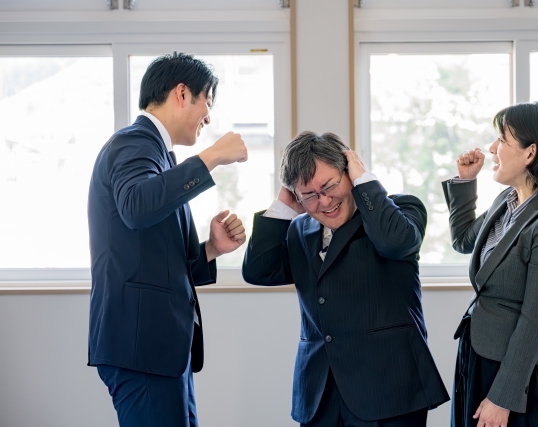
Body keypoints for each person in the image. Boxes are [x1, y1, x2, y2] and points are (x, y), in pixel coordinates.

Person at [242, 131, 450, 427]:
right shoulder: (300, 229)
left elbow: (395, 243)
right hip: (319, 394)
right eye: (310, 195)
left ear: (348, 171)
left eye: (329, 186)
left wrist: (364, 180)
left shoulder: (399, 211)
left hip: (388, 390)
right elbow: (259, 271)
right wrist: (285, 204)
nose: (324, 201)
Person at [87, 52, 248, 427]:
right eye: (207, 101)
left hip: (160, 349)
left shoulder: (159, 156)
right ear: (181, 94)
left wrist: (211, 249)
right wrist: (212, 157)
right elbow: (137, 207)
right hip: (142, 347)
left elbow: (155, 251)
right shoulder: (134, 143)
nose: (208, 116)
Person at [443, 102, 538, 427]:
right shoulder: (507, 202)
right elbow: (464, 241)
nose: (492, 148)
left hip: (520, 375)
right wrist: (466, 181)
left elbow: (537, 320)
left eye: (502, 140)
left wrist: (503, 398)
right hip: (479, 355)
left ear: (530, 153)